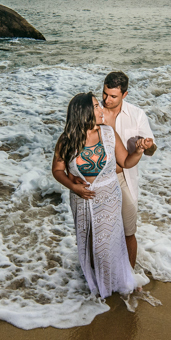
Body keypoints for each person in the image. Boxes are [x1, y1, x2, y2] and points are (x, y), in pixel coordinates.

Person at [51, 92, 145, 298]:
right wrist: (72, 186)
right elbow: (57, 170)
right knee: (90, 242)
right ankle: (97, 281)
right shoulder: (67, 140)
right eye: (95, 106)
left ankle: (117, 282)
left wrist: (137, 152)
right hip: (82, 200)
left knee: (109, 244)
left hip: (109, 197)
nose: (101, 109)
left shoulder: (109, 134)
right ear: (83, 112)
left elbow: (126, 162)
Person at [100, 71, 156, 269]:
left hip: (124, 178)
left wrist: (145, 146)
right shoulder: (94, 111)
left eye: (113, 96)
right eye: (105, 94)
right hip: (97, 180)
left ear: (125, 94)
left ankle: (129, 275)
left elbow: (151, 149)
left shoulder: (137, 114)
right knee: (100, 232)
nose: (107, 99)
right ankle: (101, 275)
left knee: (128, 231)